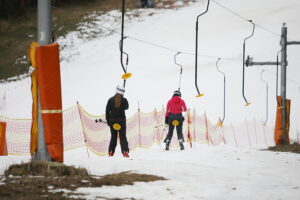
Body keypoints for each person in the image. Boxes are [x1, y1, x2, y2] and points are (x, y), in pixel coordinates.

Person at [105, 85, 129, 157]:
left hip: (112, 122)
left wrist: (108, 121)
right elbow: (126, 107)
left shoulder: (110, 100)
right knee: (123, 137)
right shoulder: (124, 100)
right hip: (121, 122)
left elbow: (107, 111)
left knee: (113, 137)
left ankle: (111, 152)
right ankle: (125, 152)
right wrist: (123, 99)